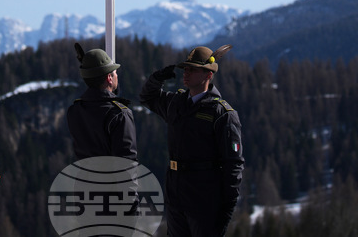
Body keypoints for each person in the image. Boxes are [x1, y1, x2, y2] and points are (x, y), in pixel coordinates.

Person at [140, 44, 243, 237]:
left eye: (192, 69)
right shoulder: (176, 103)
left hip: (204, 199)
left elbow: (233, 165)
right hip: (176, 195)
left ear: (208, 75)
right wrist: (157, 79)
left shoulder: (222, 114)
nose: (186, 73)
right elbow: (147, 97)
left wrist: (226, 209)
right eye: (185, 68)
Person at [67, 43, 137, 160]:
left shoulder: (74, 110)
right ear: (109, 78)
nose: (117, 76)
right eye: (115, 73)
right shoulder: (119, 114)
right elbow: (126, 163)